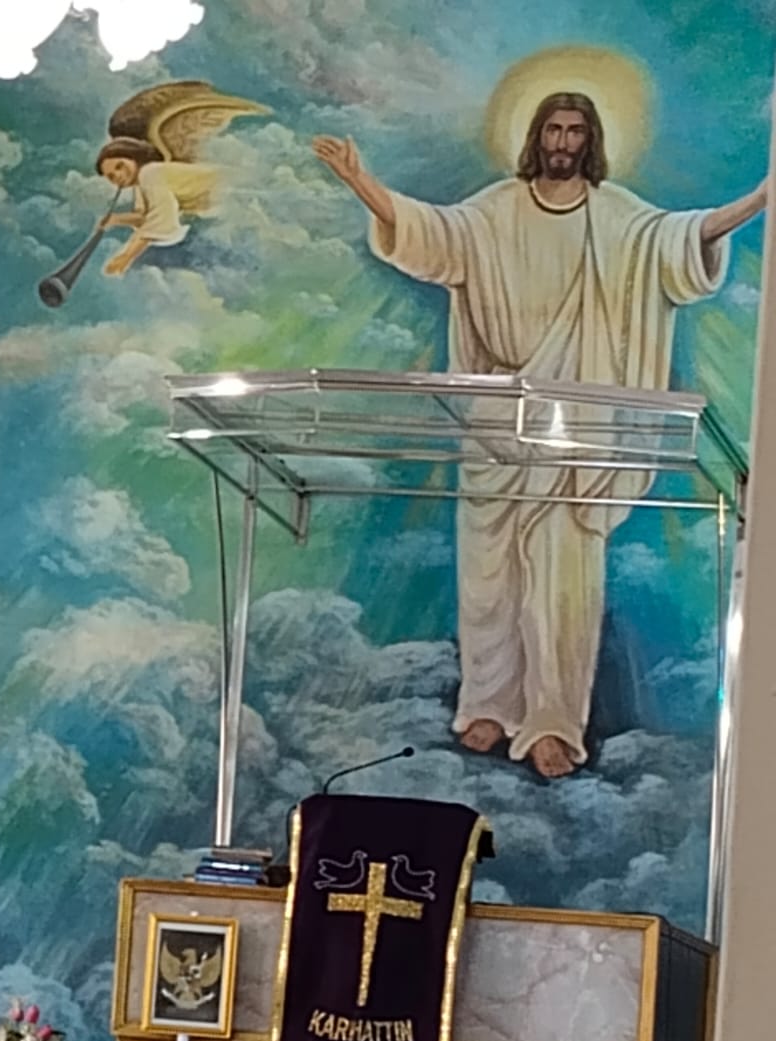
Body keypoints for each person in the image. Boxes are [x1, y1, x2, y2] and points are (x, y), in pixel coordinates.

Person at [313, 91, 767, 777]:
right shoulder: (496, 208)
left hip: (575, 432)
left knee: (563, 581)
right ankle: (489, 707)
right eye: (552, 128)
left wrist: (758, 199)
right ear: (535, 135)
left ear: (591, 140)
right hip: (498, 423)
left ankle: (553, 723)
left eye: (575, 130)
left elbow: (680, 239)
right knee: (489, 577)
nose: (562, 141)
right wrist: (360, 182)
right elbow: (431, 233)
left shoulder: (616, 215)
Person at [95, 141, 222, 276]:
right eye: (111, 176)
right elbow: (144, 217)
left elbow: (160, 216)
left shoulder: (149, 173)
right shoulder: (142, 182)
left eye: (120, 166)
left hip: (226, 190)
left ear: (133, 158)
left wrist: (126, 257)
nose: (118, 175)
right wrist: (115, 219)